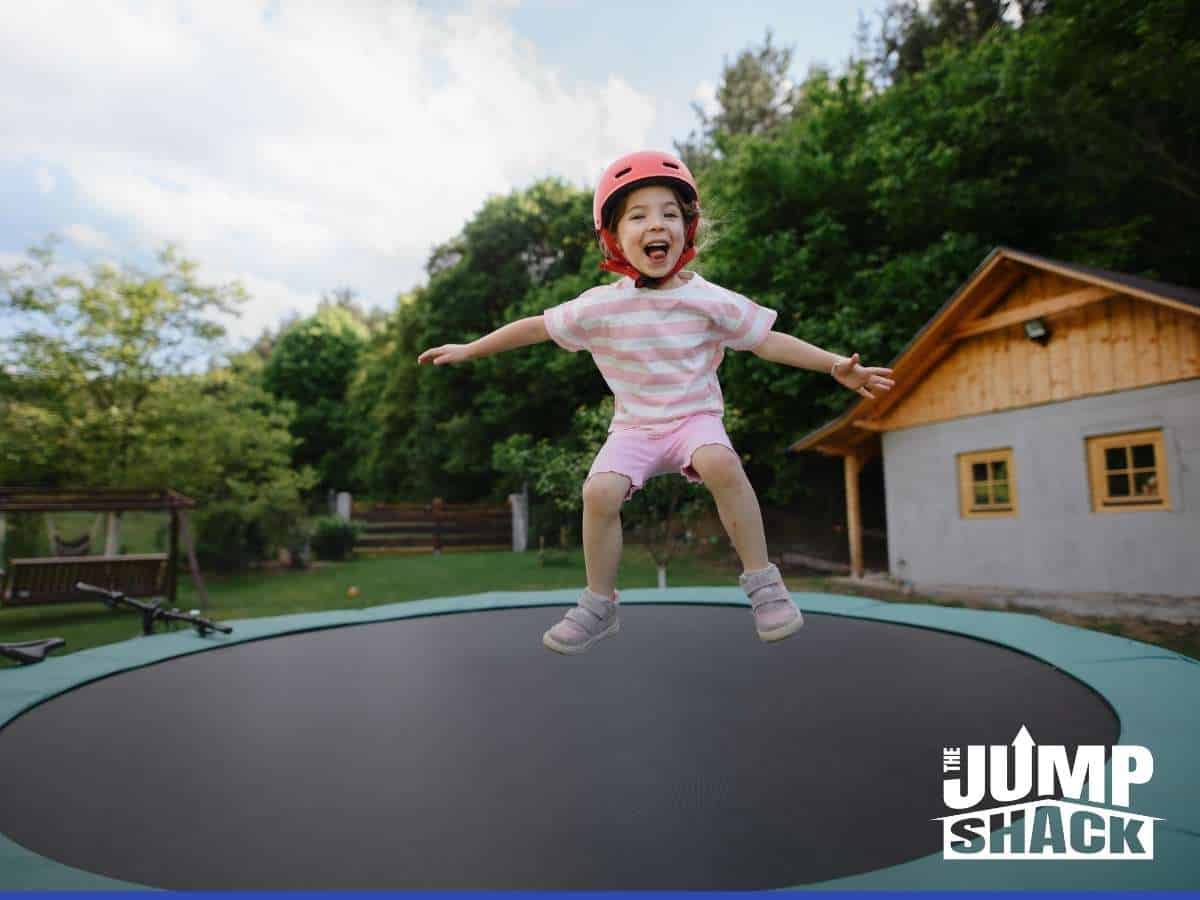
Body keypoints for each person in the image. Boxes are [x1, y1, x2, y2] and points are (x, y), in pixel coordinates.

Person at [418, 150, 894, 655]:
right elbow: (535, 326)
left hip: (695, 420)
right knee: (598, 493)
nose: (656, 224)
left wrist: (833, 364)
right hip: (634, 430)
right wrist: (471, 348)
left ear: (687, 230)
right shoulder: (599, 306)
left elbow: (767, 340)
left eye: (669, 213)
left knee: (719, 461)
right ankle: (599, 605)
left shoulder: (711, 299)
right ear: (615, 238)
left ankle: (765, 585)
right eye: (638, 216)